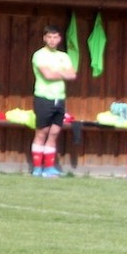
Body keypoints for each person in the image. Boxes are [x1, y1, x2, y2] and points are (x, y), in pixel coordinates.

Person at [30, 25, 76, 177]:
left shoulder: (64, 56)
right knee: (42, 132)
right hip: (43, 97)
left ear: (59, 39)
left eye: (55, 37)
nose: (52, 40)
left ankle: (49, 167)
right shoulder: (39, 55)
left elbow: (72, 75)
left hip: (59, 98)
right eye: (49, 37)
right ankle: (37, 167)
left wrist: (56, 72)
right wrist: (62, 72)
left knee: (54, 132)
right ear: (44, 38)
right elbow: (47, 75)